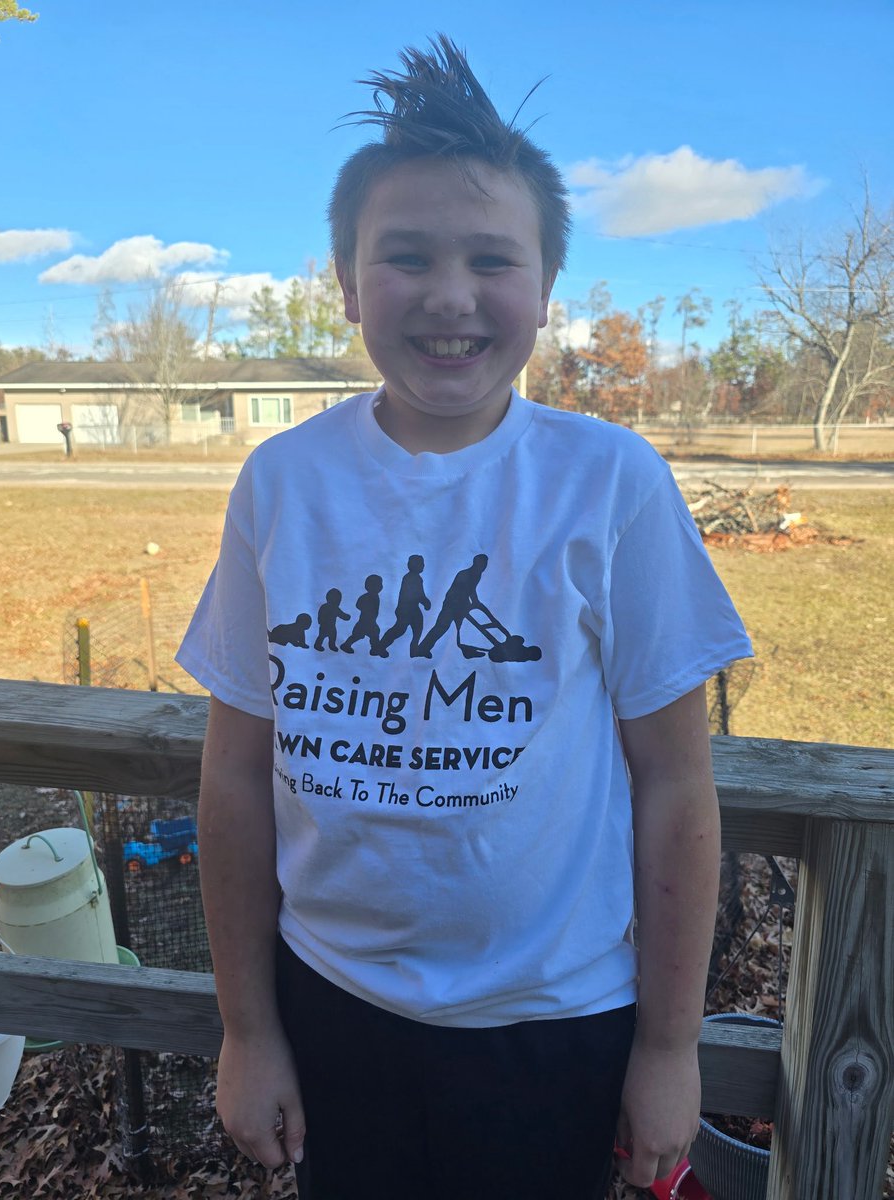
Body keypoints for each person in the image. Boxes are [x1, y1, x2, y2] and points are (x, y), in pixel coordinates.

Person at [177, 35, 752, 1200]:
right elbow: (235, 777)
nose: (450, 295)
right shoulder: (282, 483)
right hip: (330, 1006)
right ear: (345, 283)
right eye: (406, 257)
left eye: (492, 258)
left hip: (553, 1026)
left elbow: (677, 784)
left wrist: (668, 1047)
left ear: (543, 288)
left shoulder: (611, 480)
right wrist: (248, 1030)